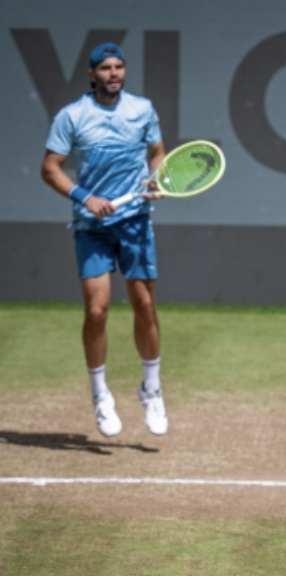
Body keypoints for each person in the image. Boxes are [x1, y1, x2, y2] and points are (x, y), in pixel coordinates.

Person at [40, 42, 168, 437]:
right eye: (105, 68)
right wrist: (86, 198)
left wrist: (156, 179)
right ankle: (100, 396)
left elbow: (158, 153)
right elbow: (50, 169)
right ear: (91, 75)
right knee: (96, 311)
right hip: (91, 227)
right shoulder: (72, 116)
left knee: (145, 305)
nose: (113, 73)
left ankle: (152, 390)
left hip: (134, 222)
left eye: (119, 67)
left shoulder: (142, 110)